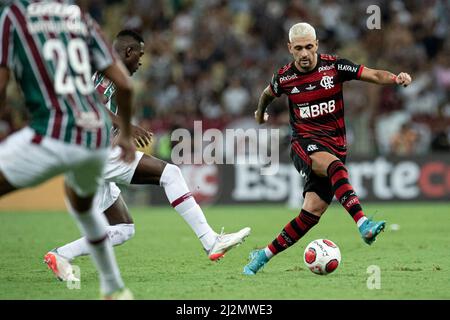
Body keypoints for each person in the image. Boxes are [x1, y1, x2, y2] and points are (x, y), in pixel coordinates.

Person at [44, 30, 251, 280]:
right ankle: (210, 241)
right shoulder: (103, 70)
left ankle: (61, 255)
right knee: (171, 174)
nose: (141, 62)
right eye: (139, 55)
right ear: (128, 52)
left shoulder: (107, 72)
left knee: (123, 229)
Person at [243, 22, 412, 275]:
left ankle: (262, 256)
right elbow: (267, 94)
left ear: (317, 45)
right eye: (298, 48)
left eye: (309, 47)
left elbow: (374, 75)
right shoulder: (284, 77)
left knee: (310, 214)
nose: (304, 53)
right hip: (304, 144)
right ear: (290, 48)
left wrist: (396, 78)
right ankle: (363, 223)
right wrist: (259, 113)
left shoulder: (334, 67)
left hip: (335, 145)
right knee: (335, 166)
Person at [0, 1, 136, 299]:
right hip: (95, 138)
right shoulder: (80, 18)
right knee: (86, 209)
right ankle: (113, 288)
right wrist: (125, 135)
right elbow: (125, 86)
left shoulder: (14, 15)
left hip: (51, 132)